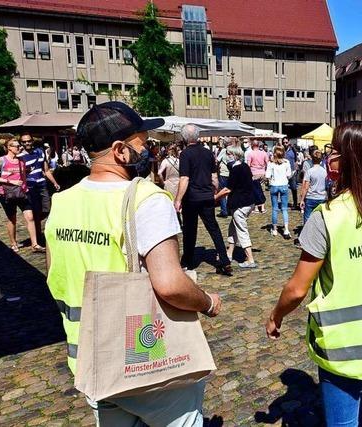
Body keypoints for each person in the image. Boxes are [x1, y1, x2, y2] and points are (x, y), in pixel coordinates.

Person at [45, 101, 221, 426]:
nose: (149, 150)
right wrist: (208, 302)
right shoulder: (147, 199)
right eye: (143, 143)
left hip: (90, 357)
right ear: (120, 150)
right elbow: (170, 284)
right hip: (142, 358)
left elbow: (56, 275)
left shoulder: (62, 202)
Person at [266, 122, 362, 426]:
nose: (331, 156)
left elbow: (296, 289)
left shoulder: (328, 216)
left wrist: (275, 315)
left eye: (335, 150)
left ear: (347, 160)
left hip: (342, 346)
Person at [175, 124, 233, 276]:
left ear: (184, 138)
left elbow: (184, 178)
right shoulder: (208, 153)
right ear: (198, 136)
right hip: (206, 196)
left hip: (192, 197)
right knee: (213, 228)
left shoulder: (185, 154)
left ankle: (187, 261)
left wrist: (178, 199)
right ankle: (225, 260)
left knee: (190, 230)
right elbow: (214, 177)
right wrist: (214, 191)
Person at [0, 138, 44, 252]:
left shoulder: (21, 161)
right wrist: (10, 181)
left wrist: (25, 187)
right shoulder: (1, 160)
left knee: (30, 217)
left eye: (20, 146)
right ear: (9, 147)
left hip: (22, 193)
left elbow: (23, 176)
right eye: (17, 146)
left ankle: (35, 244)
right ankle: (13, 243)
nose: (20, 148)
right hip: (6, 193)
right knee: (12, 219)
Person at [215, 146, 257, 268]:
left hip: (240, 205)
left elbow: (228, 189)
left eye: (228, 153)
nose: (226, 156)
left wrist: (215, 198)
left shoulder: (236, 169)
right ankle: (229, 253)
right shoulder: (244, 166)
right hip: (249, 202)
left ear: (234, 155)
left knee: (242, 230)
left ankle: (250, 259)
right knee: (232, 228)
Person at [19, 133, 60, 246]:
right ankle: (38, 235)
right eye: (24, 142)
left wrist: (54, 182)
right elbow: (18, 173)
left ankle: (39, 231)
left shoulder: (40, 152)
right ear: (21, 143)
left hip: (42, 185)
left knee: (46, 210)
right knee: (35, 212)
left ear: (32, 141)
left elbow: (46, 170)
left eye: (29, 141)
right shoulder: (20, 156)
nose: (27, 143)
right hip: (30, 187)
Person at [266, 146, 292, 239]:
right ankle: (286, 229)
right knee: (284, 208)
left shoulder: (271, 163)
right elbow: (289, 175)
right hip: (284, 185)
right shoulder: (286, 162)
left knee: (274, 208)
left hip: (274, 185)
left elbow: (267, 175)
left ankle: (275, 229)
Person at [299, 150, 327, 224]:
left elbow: (306, 187)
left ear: (312, 159)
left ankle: (307, 233)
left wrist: (302, 199)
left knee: (307, 218)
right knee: (321, 219)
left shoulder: (309, 171)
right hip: (322, 197)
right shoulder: (325, 172)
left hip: (310, 197)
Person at [246, 139, 268, 214]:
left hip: (253, 174)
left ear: (252, 145)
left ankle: (255, 208)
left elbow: (248, 165)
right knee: (262, 190)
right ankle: (262, 207)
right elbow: (267, 163)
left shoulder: (250, 154)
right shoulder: (264, 153)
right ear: (258, 145)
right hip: (262, 173)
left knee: (255, 190)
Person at [282, 138, 299, 210]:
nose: (285, 144)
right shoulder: (281, 150)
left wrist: (295, 169)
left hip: (292, 172)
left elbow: (296, 160)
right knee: (283, 189)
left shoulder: (293, 150)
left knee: (294, 188)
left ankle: (295, 203)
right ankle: (284, 204)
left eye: (286, 142)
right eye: (284, 143)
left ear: (288, 142)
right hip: (283, 173)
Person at [216, 140, 231, 218]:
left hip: (224, 173)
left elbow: (217, 160)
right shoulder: (233, 150)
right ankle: (230, 209)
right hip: (231, 173)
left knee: (222, 192)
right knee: (230, 192)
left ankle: (224, 211)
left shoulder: (224, 150)